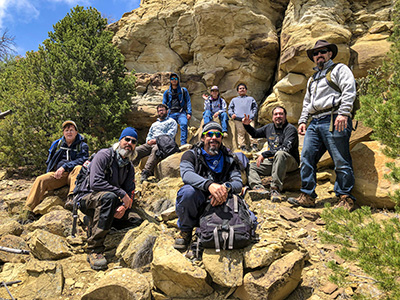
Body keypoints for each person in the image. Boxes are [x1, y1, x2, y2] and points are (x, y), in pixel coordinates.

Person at [288, 40, 356, 211]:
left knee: (340, 159)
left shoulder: (339, 69)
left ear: (330, 54)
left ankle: (345, 198)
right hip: (315, 121)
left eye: (323, 52)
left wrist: (343, 113)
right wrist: (303, 120)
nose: (319, 55)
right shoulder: (312, 79)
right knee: (307, 157)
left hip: (334, 118)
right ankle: (308, 195)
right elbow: (307, 102)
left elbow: (349, 89)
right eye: (316, 53)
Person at [174, 121, 243, 251]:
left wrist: (225, 188)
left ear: (221, 138)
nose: (213, 138)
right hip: (198, 200)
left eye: (218, 135)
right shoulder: (191, 155)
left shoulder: (229, 158)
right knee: (187, 192)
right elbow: (187, 174)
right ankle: (186, 230)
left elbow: (238, 182)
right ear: (203, 138)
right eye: (209, 134)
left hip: (221, 201)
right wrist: (209, 185)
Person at [79, 127, 138, 270]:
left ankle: (96, 222)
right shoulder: (104, 155)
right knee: (109, 197)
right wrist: (121, 194)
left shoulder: (128, 166)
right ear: (120, 141)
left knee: (136, 220)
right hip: (87, 197)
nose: (129, 143)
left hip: (110, 201)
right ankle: (95, 249)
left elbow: (130, 190)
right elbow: (95, 183)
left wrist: (124, 207)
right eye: (127, 139)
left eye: (133, 141)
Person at [20, 120, 89, 222]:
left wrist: (65, 167)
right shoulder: (57, 144)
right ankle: (27, 211)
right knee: (40, 179)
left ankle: (71, 198)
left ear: (76, 132)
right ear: (63, 133)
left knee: (78, 168)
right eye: (66, 130)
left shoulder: (82, 146)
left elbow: (83, 160)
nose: (69, 132)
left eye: (71, 130)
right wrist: (52, 171)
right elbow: (51, 159)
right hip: (59, 175)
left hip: (73, 175)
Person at [243, 106, 299, 201]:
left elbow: (286, 148)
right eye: (276, 114)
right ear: (272, 117)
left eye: (281, 114)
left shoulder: (290, 129)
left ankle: (275, 189)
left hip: (289, 162)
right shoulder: (269, 127)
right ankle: (258, 188)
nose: (278, 116)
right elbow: (255, 134)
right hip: (272, 162)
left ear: (285, 116)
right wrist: (247, 125)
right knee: (251, 166)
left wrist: (265, 154)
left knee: (280, 154)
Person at [133, 104, 178, 183]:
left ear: (167, 111)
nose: (160, 112)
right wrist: (148, 141)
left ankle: (145, 173)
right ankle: (126, 168)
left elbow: (170, 135)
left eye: (162, 110)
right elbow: (149, 134)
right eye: (159, 111)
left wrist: (157, 140)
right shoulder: (154, 124)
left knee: (155, 150)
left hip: (163, 144)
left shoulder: (171, 122)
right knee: (136, 150)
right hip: (150, 143)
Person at [162, 73, 192, 146]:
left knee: (184, 124)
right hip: (171, 113)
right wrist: (164, 114)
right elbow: (164, 104)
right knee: (171, 128)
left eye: (175, 78)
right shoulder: (167, 92)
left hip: (181, 112)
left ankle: (183, 144)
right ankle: (172, 145)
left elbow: (188, 101)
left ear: (178, 80)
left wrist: (189, 113)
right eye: (172, 79)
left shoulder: (183, 90)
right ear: (170, 81)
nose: (174, 80)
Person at [228, 83, 258, 152]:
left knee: (252, 132)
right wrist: (231, 114)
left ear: (246, 90)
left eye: (243, 88)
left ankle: (254, 146)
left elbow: (255, 108)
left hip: (249, 119)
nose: (242, 89)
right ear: (238, 91)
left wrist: (252, 116)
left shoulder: (251, 99)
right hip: (238, 119)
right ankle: (242, 147)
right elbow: (230, 109)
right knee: (240, 133)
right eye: (240, 88)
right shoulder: (234, 100)